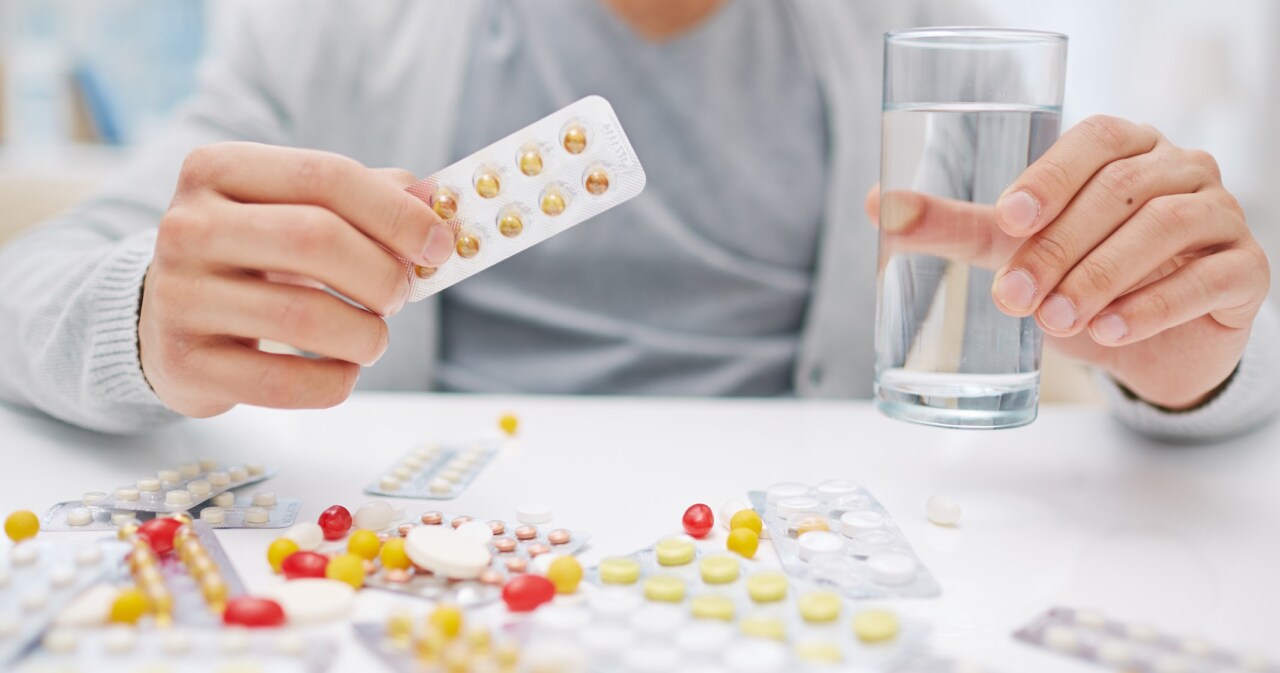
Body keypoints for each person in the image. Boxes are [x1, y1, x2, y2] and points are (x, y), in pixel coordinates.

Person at [0, 0, 1274, 441]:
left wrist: (1189, 365)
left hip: (785, 573)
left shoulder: (919, 36)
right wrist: (144, 320)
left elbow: (1198, 339)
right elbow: (30, 293)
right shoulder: (333, 28)